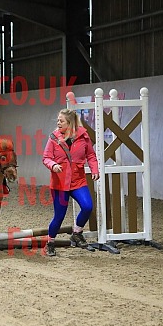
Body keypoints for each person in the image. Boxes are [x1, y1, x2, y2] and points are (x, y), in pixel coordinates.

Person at [42, 108, 100, 256]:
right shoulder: (53, 138)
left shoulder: (83, 136)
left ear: (70, 123)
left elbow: (91, 156)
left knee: (87, 207)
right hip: (59, 184)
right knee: (59, 216)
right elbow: (46, 158)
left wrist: (94, 170)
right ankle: (50, 242)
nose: (58, 123)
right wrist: (53, 165)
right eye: (58, 120)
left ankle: (77, 232)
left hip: (78, 181)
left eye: (61, 121)